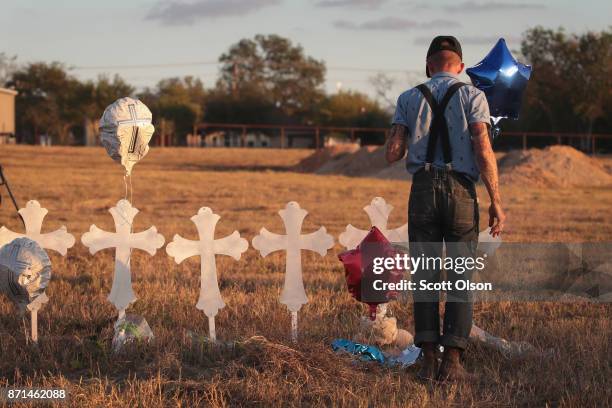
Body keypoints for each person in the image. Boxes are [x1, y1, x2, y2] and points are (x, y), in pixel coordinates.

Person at [385, 36, 505, 381]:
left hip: (421, 190)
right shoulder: (474, 96)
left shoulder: (408, 98)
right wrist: (497, 199)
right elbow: (482, 147)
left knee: (424, 274)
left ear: (428, 65)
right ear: (461, 67)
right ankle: (452, 362)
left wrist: (403, 130)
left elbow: (392, 154)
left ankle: (426, 361)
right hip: (461, 191)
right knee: (461, 274)